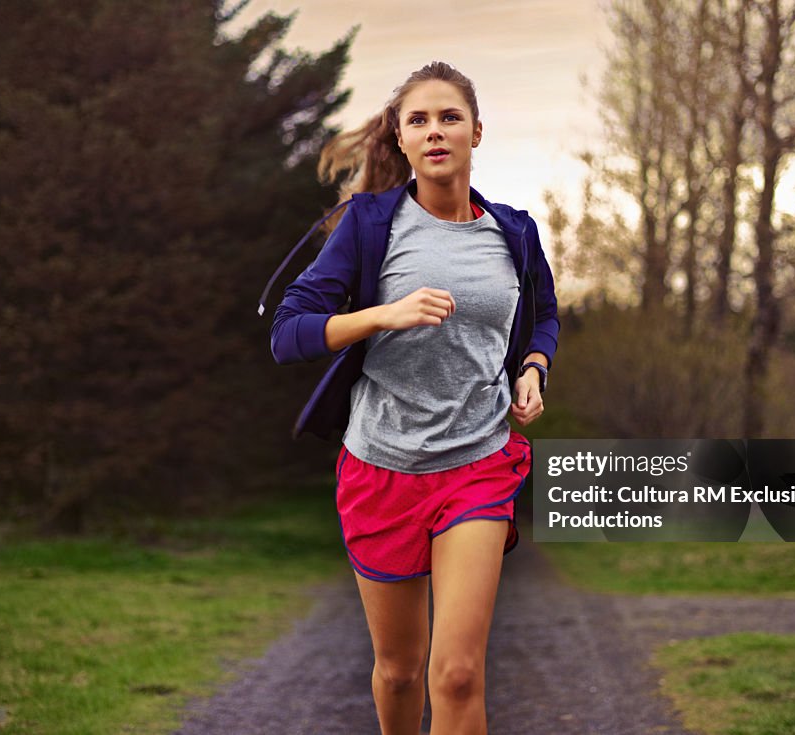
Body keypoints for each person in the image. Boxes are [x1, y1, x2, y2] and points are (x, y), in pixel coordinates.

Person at [269, 60, 559, 735]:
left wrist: (534, 367)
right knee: (399, 671)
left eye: (449, 117)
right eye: (419, 120)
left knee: (457, 672)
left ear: (476, 132)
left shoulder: (513, 232)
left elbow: (542, 314)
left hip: (479, 464)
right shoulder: (369, 224)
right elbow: (289, 332)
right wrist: (381, 315)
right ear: (400, 139)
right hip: (382, 467)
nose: (435, 131)